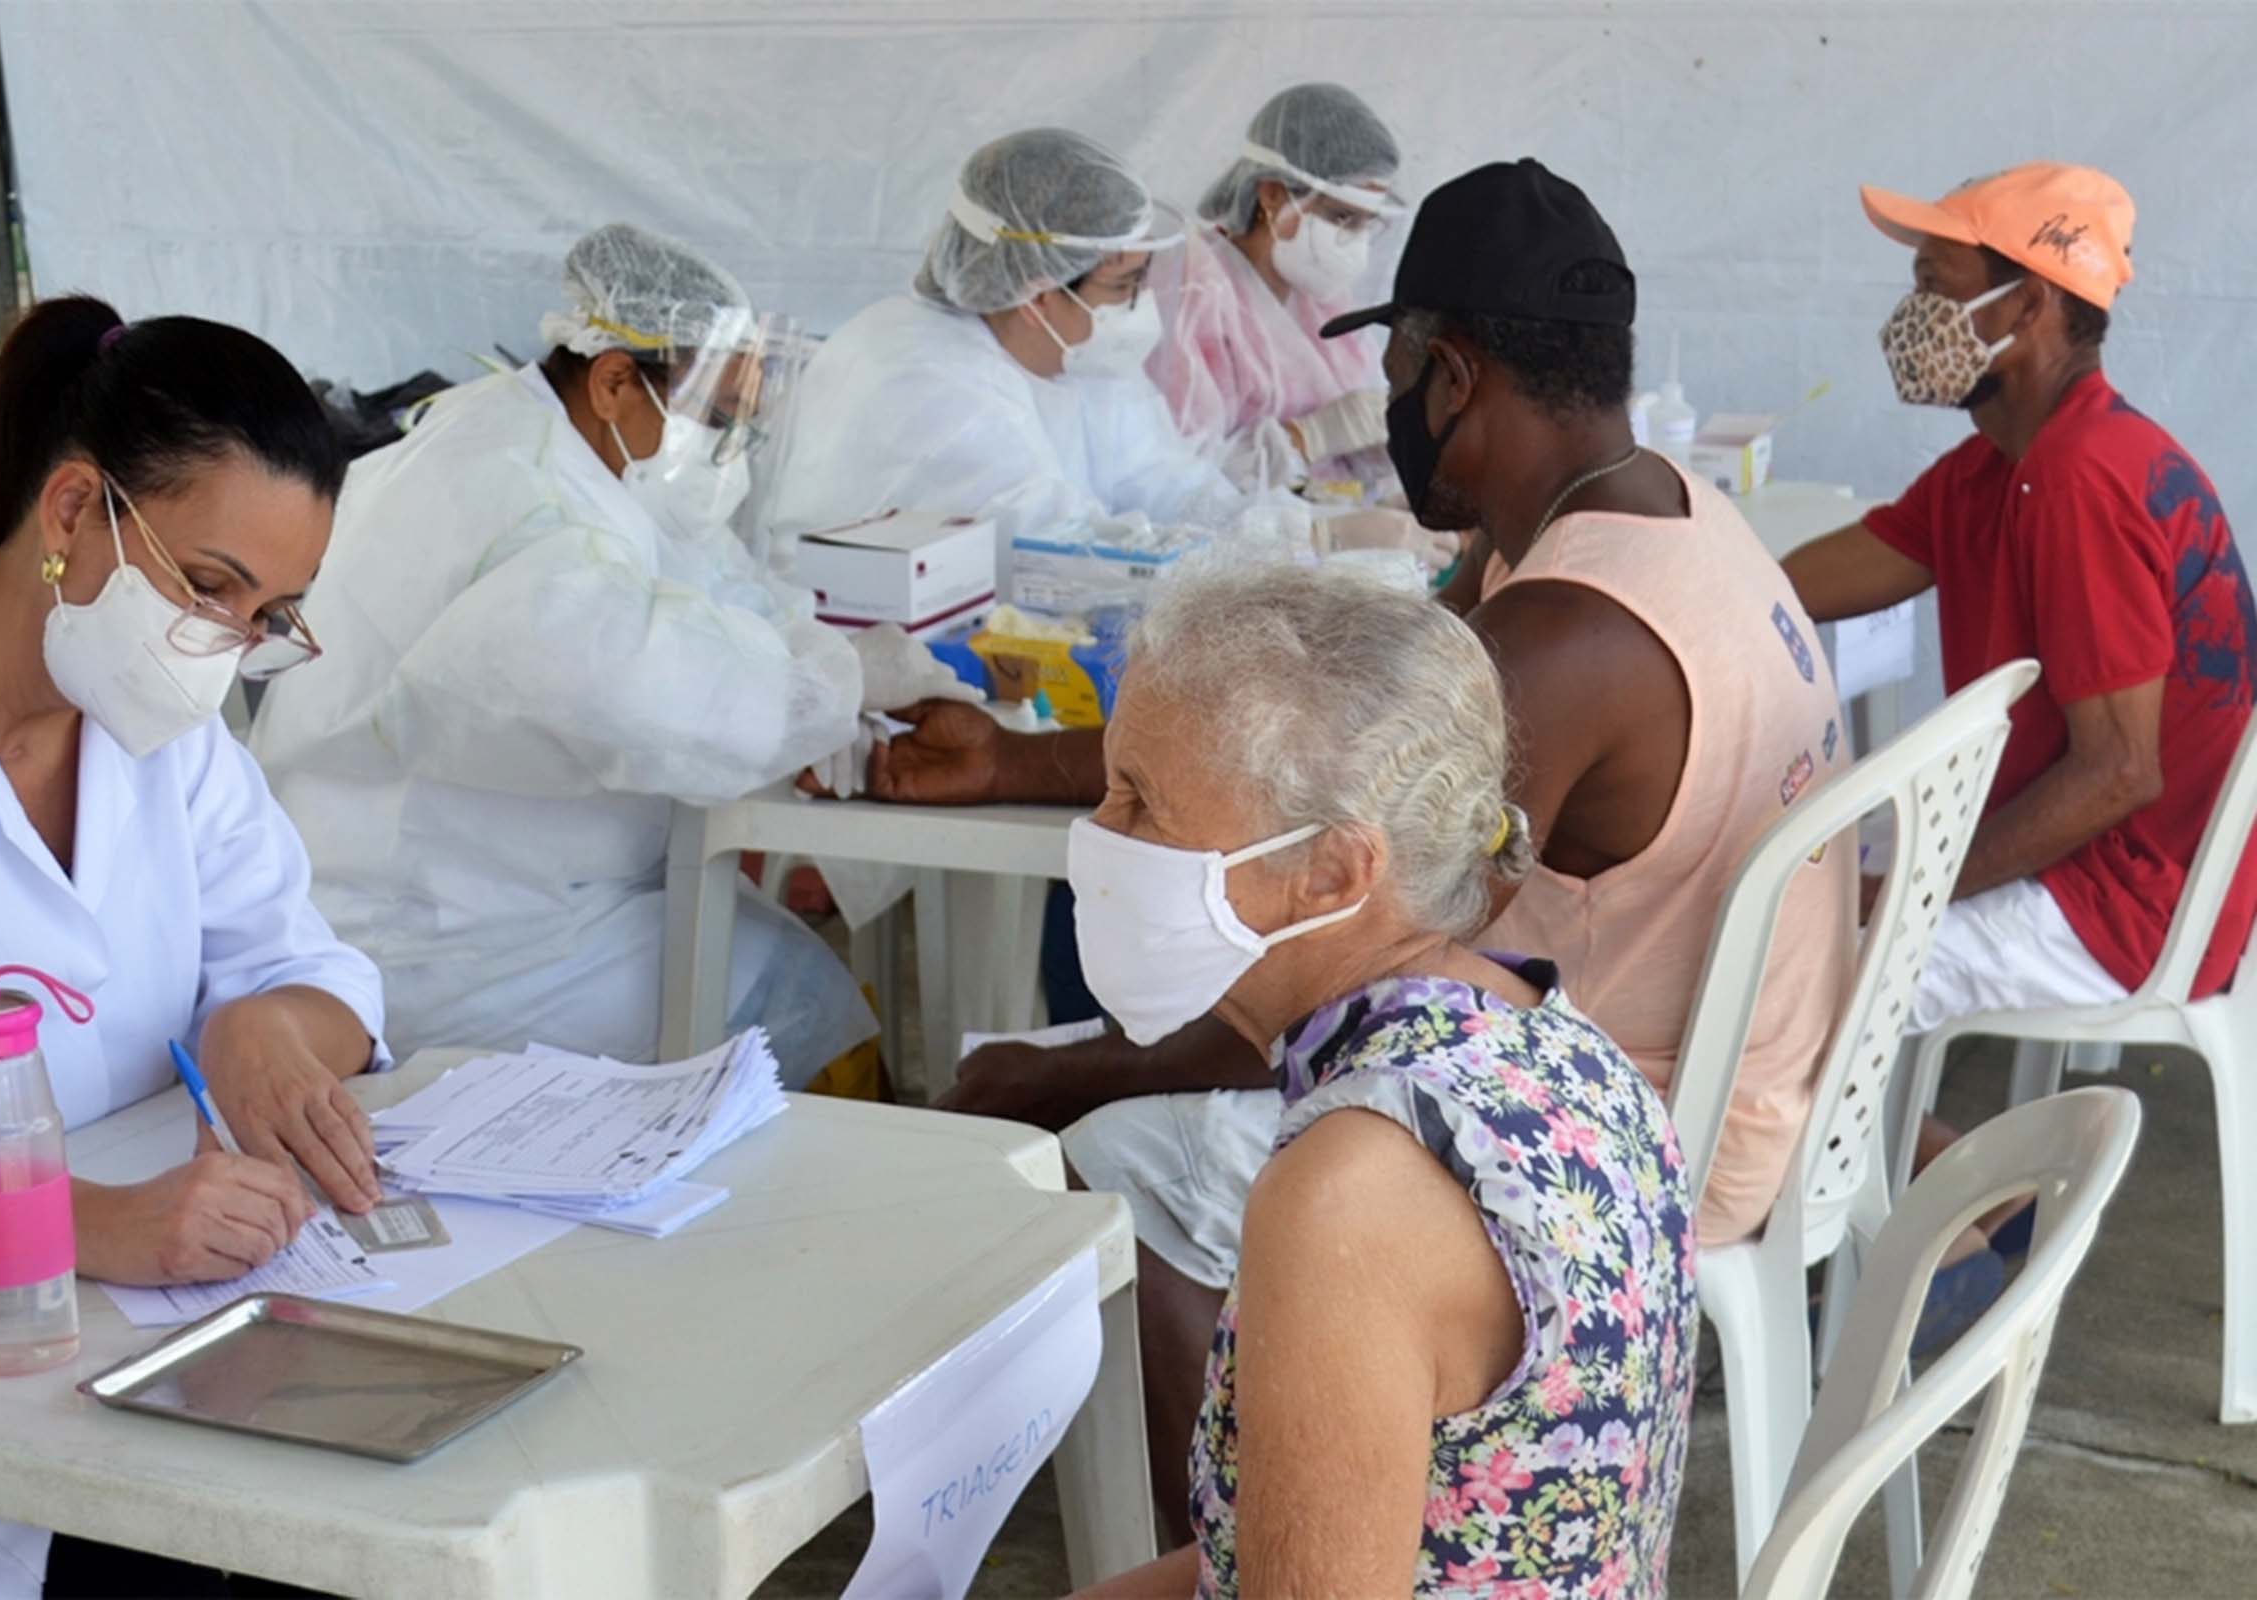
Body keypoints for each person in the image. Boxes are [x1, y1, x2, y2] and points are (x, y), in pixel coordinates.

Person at [864, 163, 1855, 1531]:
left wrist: (1069, 1073)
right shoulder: (1649, 510)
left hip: (1642, 1126)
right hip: (1720, 1077)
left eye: (1395, 363)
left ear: (1450, 377)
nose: (1388, 399)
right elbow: (1369, 718)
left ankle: (1222, 1532)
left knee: (1125, 1165)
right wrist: (1020, 765)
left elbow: (1360, 962)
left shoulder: (1564, 641)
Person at [0, 296, 389, 1596]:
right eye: (210, 586)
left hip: (161, 1345)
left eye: (270, 613)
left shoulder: (159, 726)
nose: (225, 643)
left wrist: (264, 1020)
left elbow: (315, 969)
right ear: (75, 510)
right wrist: (80, 1225)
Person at [1066, 565, 1695, 1599]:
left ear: (1332, 872)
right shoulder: (1554, 1037)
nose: (1100, 835)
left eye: (1142, 801)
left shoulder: (1347, 1194)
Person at [251, 224, 959, 1083]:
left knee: (772, 959)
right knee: (796, 998)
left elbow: (714, 585)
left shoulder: (545, 441)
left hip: (503, 892)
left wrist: (816, 665)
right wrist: (830, 689)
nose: (727, 451)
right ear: (616, 378)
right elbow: (645, 691)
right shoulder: (525, 495)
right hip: (446, 940)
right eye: (715, 419)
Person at [1786, 163, 2256, 1041]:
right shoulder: (1998, 468)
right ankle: (1937, 1170)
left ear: (2028, 304)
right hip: (2088, 862)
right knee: (1782, 890)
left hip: (2131, 911)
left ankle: (1957, 1178)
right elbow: (1803, 583)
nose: (1912, 316)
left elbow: (2119, 771)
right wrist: (1692, 584)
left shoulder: (2084, 478)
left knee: (1788, 983)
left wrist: (1906, 894)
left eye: (1934, 286)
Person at [770, 128, 1391, 587]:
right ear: (1036, 289)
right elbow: (1066, 552)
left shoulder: (1080, 366)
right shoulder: (923, 378)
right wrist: (1307, 547)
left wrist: (1304, 528)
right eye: (1123, 287)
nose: (1141, 308)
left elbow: (1164, 482)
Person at [1147, 82, 1410, 494]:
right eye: (1341, 218)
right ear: (1271, 193)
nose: (1354, 242)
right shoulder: (1193, 289)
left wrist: (1375, 455)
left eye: (1365, 223)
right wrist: (1308, 438)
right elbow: (1177, 480)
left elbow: (1357, 433)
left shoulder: (1320, 299)